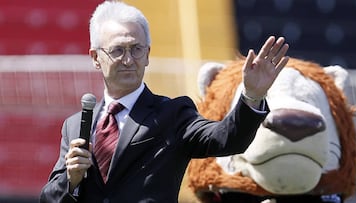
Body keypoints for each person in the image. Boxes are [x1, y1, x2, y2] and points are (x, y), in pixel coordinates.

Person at [39, 1, 289, 202]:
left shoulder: (173, 113)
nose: (128, 60)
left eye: (136, 49)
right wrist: (71, 179)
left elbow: (227, 138)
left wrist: (252, 95)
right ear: (95, 57)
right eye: (117, 50)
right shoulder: (74, 126)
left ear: (147, 55)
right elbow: (49, 197)